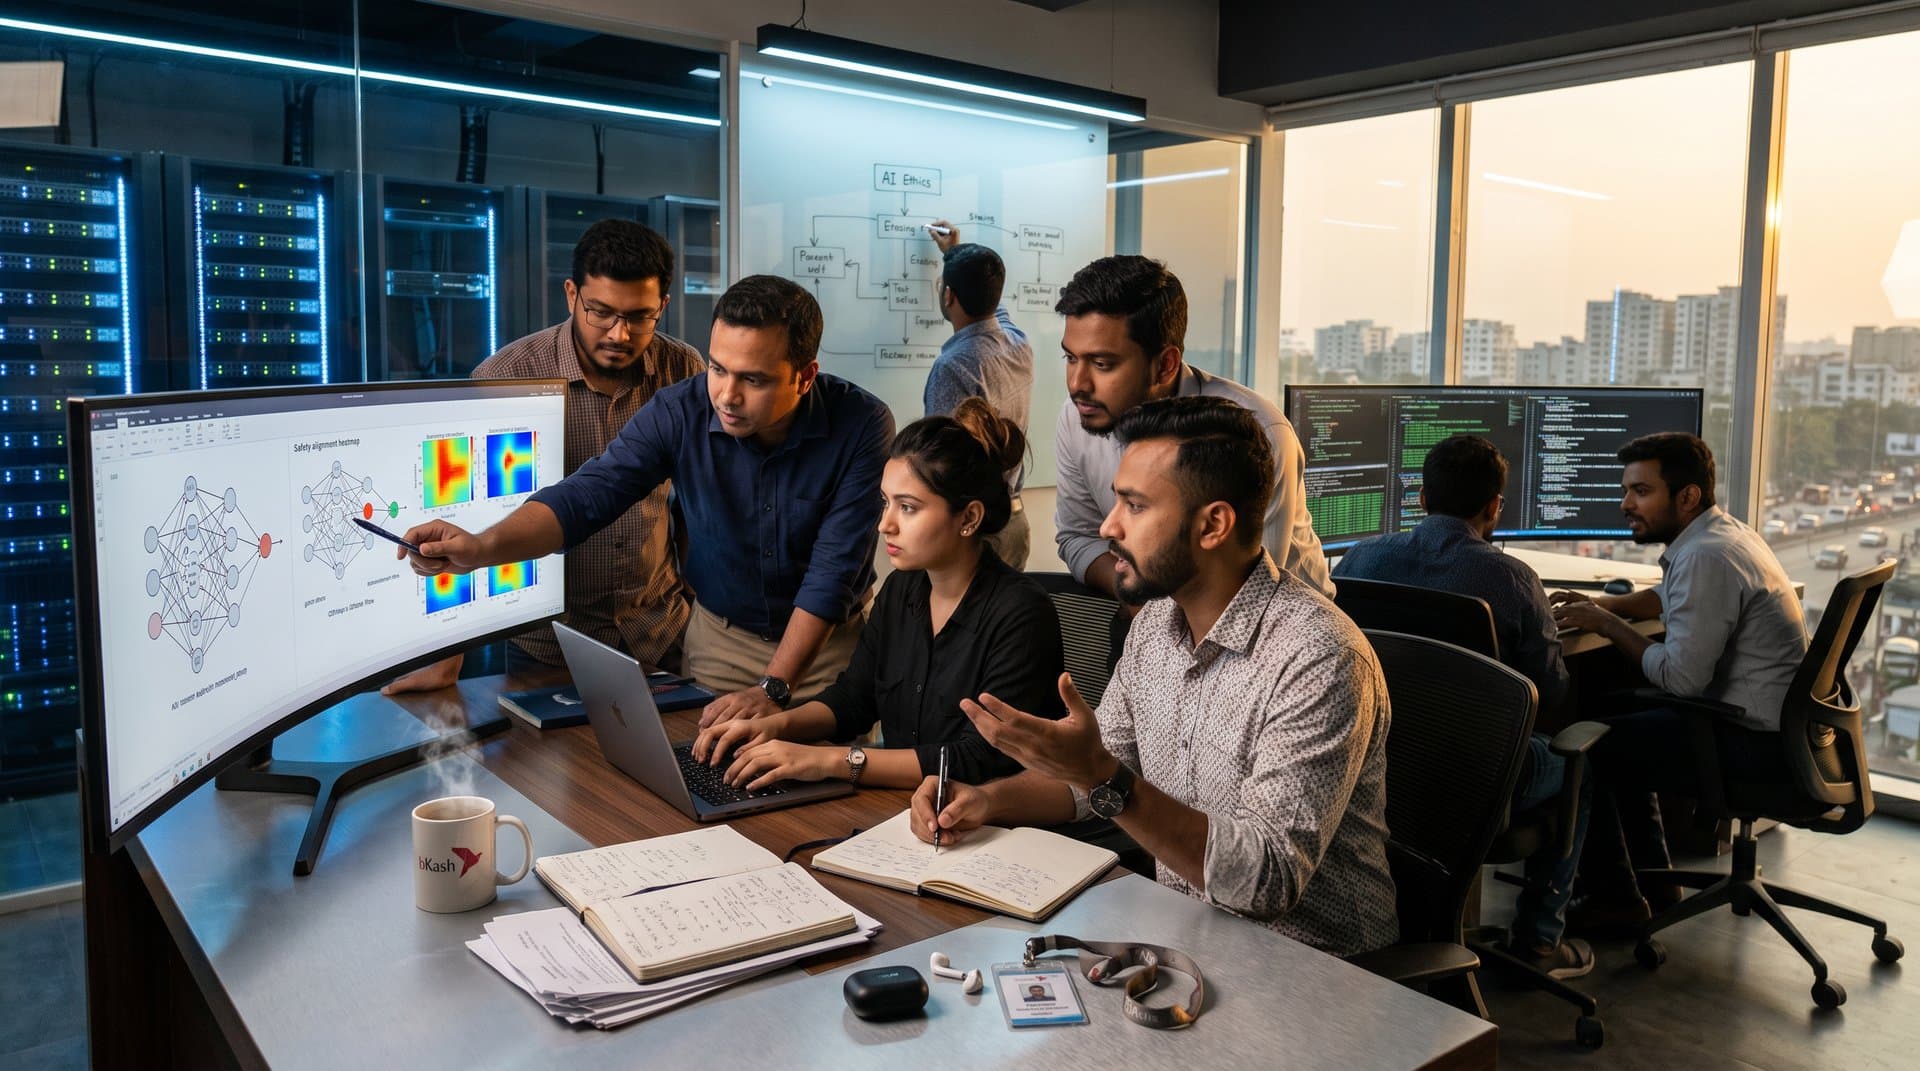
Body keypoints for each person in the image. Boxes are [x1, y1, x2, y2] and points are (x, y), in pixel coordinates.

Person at [910, 396, 1397, 957]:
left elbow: (1264, 881)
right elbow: (1097, 776)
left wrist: (1102, 776)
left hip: (1317, 969)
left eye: (1135, 506)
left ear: (1213, 525)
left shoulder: (1318, 657)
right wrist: (986, 800)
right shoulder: (1155, 624)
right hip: (1189, 940)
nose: (1108, 526)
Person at [397, 275, 895, 727]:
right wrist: (481, 548)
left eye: (753, 379)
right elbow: (590, 494)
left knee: (831, 787)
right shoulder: (680, 410)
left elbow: (832, 574)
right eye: (718, 368)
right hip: (720, 642)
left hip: (828, 650)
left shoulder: (863, 425)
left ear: (804, 377)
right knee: (708, 777)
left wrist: (774, 687)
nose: (727, 395)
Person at [383, 219, 702, 695]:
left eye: (640, 316)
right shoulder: (505, 377)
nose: (620, 334)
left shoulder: (684, 369)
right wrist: (447, 660)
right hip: (550, 646)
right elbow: (464, 517)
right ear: (571, 295)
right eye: (601, 313)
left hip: (660, 631)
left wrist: (699, 604)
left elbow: (697, 504)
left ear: (663, 306)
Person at [689, 399, 1063, 790]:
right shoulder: (902, 588)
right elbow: (854, 698)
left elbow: (977, 758)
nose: (885, 524)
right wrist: (773, 726)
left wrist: (827, 760)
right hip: (905, 808)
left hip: (990, 817)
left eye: (908, 508)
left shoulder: (1022, 613)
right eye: (886, 503)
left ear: (968, 517)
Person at [1334, 434, 1590, 976]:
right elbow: (1552, 693)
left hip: (1373, 761)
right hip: (1477, 777)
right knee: (1585, 762)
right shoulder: (1513, 578)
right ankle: (1540, 940)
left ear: (1421, 498)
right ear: (1494, 507)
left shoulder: (1359, 559)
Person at [1551, 432, 1808, 930]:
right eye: (1626, 490)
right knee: (1606, 712)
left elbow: (1681, 679)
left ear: (1687, 496)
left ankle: (1616, 900)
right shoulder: (1724, 535)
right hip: (1776, 730)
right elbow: (1669, 597)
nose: (1626, 504)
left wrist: (1607, 624)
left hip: (1751, 743)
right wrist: (1606, 605)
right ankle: (1654, 885)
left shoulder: (1704, 557)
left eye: (1641, 491)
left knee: (1583, 746)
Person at [1051, 255, 1330, 601]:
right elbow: (1079, 536)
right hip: (1154, 606)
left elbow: (1249, 589)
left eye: (1102, 364)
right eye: (1071, 358)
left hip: (1276, 621)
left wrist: (1149, 612)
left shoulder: (1257, 433)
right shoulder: (1078, 416)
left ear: (1165, 366)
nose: (1077, 384)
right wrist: (1139, 605)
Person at [921, 220, 1035, 569]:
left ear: (948, 296)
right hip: (1014, 523)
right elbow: (993, 309)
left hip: (976, 535)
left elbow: (940, 462)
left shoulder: (953, 366)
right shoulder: (1018, 342)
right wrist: (954, 253)